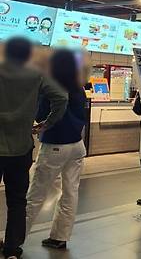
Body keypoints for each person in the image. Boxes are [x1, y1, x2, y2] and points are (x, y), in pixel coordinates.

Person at [0, 37, 68, 259]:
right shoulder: (36, 74)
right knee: (17, 200)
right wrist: (46, 124)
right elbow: (61, 97)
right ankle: (11, 249)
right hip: (21, 148)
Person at [24, 49, 86, 249]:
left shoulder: (50, 84)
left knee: (35, 194)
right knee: (70, 192)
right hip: (77, 145)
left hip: (55, 145)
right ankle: (60, 237)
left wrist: (40, 125)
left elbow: (41, 112)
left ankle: (15, 238)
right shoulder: (79, 86)